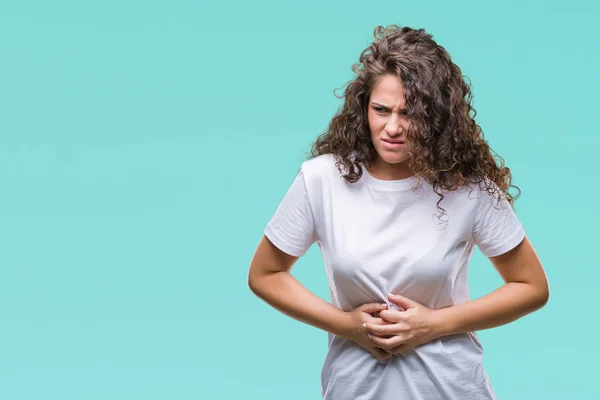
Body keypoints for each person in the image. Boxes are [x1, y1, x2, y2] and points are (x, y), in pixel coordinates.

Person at [247, 24, 549, 400]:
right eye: (381, 110)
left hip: (451, 388)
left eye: (410, 114)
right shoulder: (322, 179)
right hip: (354, 389)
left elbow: (532, 287)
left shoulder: (467, 187)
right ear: (363, 107)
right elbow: (265, 273)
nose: (393, 127)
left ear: (436, 117)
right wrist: (346, 325)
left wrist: (433, 324)